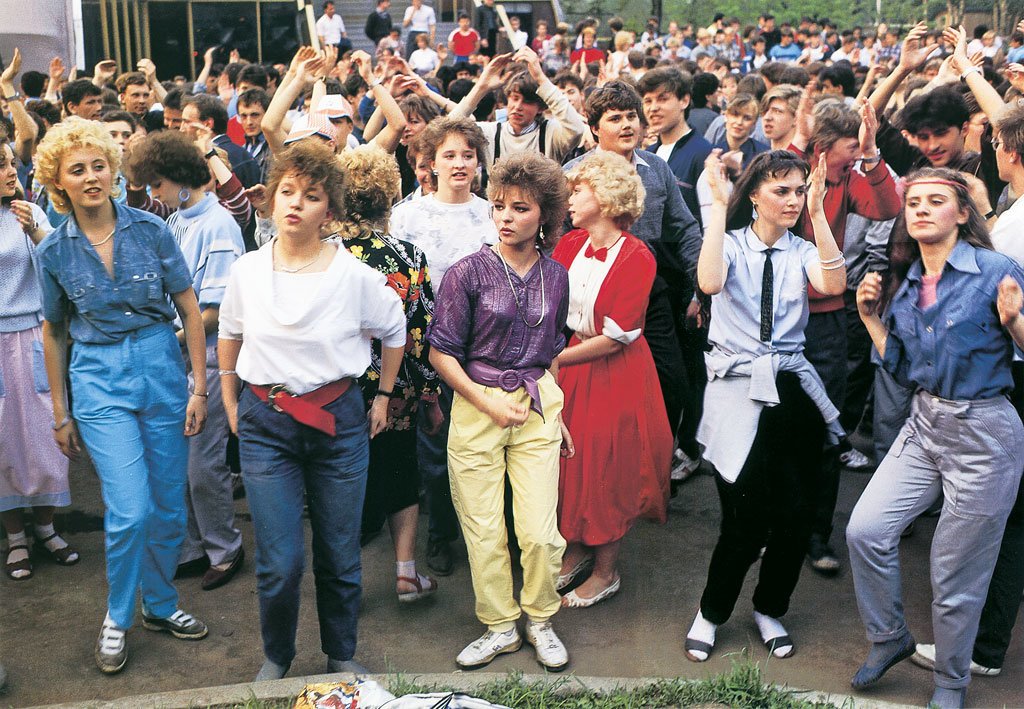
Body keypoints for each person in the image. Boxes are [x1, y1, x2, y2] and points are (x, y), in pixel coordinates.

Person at [217, 140, 406, 681]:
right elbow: (229, 333)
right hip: (265, 423)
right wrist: (228, 399)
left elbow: (395, 330)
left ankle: (340, 653)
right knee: (280, 562)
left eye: (312, 195)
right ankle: (277, 656)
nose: (296, 203)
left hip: (337, 422)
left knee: (340, 554)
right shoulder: (247, 271)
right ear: (271, 198)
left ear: (330, 210)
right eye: (287, 191)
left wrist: (384, 396)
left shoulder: (355, 276)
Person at [34, 117, 210, 674]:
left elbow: (189, 309)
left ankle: (159, 603)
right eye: (77, 169)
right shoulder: (52, 251)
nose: (91, 177)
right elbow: (54, 332)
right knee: (130, 509)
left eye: (99, 166)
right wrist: (59, 411)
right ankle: (117, 616)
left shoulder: (152, 230)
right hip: (97, 376)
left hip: (161, 364)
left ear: (113, 171)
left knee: (167, 505)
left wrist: (200, 385)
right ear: (57, 181)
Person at [847, 168, 1024, 709]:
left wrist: (1015, 322)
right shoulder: (904, 280)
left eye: (936, 200)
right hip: (925, 424)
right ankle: (889, 637)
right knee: (865, 530)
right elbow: (903, 369)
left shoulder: (996, 270)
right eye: (914, 201)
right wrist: (869, 318)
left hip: (984, 433)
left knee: (954, 575)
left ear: (963, 213)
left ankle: (950, 683)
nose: (921, 208)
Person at [685, 150, 846, 663]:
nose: (793, 200)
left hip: (789, 384)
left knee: (796, 515)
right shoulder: (731, 243)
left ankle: (770, 608)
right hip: (736, 387)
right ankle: (711, 613)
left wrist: (818, 212)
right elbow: (709, 283)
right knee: (744, 519)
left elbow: (833, 284)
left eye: (800, 190)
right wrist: (717, 209)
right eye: (782, 191)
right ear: (754, 194)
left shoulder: (802, 249)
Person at [428, 151, 572, 671]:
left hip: (536, 405)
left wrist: (558, 412)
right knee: (484, 529)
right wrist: (483, 399)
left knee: (539, 532)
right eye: (499, 206)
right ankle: (500, 626)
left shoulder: (557, 276)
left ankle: (541, 619)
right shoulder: (467, 273)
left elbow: (553, 350)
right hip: (477, 406)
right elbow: (440, 352)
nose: (505, 217)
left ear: (545, 216)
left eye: (520, 208)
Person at [126, 130, 246, 591]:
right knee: (179, 460)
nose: (153, 193)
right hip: (179, 353)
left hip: (210, 358)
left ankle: (225, 548)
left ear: (178, 177)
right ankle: (194, 547)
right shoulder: (178, 219)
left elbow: (216, 311)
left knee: (203, 463)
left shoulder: (218, 225)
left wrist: (168, 338)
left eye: (156, 184)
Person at [553, 151, 673, 608]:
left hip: (612, 370)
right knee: (571, 463)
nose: (570, 199)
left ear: (604, 198)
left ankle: (606, 572)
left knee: (608, 467)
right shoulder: (570, 244)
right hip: (570, 362)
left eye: (578, 190)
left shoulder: (637, 256)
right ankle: (577, 548)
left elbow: (617, 337)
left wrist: (557, 359)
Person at [389, 116, 498, 576]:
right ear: (430, 163)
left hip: (481, 348)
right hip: (424, 348)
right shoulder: (407, 216)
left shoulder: (492, 213)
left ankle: (486, 538)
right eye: (449, 155)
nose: (459, 164)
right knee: (433, 448)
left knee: (479, 446)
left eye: (467, 155)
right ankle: (440, 533)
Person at [335, 145, 440, 603]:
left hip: (337, 389)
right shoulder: (408, 257)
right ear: (390, 195)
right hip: (395, 389)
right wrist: (430, 396)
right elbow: (421, 332)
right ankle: (405, 573)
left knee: (342, 483)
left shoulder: (325, 254)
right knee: (400, 470)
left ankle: (347, 585)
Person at [1, 142, 78, 581]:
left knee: (47, 431)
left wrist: (34, 231)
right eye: (1, 165)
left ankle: (47, 528)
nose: (12, 171)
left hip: (34, 334)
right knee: (3, 438)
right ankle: (16, 537)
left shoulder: (29, 211)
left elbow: (59, 261)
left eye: (11, 162)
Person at [450, 47, 586, 172]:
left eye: (527, 102)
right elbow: (449, 128)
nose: (518, 106)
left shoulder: (551, 134)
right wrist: (481, 87)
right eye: (514, 98)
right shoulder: (491, 133)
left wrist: (541, 78)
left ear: (540, 108)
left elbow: (576, 129)